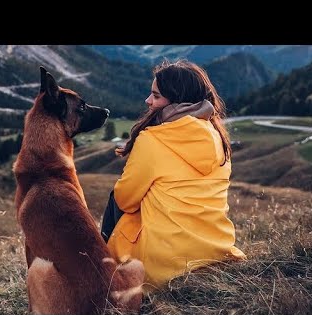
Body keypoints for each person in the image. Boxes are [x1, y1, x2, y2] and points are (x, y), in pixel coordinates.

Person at [101, 59, 247, 292]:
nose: (148, 101)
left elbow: (125, 200)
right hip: (216, 249)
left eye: (156, 96)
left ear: (177, 101)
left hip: (164, 263)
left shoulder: (152, 139)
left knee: (116, 198)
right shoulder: (217, 135)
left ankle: (101, 272)